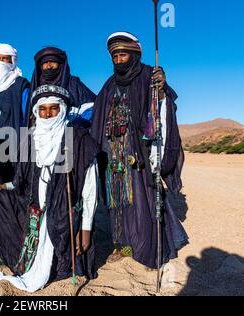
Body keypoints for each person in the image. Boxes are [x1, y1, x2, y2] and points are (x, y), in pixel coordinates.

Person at [0, 85, 99, 293]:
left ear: (63, 109)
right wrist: (3, 186)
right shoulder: (31, 138)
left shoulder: (78, 140)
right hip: (33, 210)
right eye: (43, 109)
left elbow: (90, 191)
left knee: (63, 267)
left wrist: (85, 230)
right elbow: (24, 181)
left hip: (64, 216)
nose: (48, 114)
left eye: (53, 108)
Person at [90, 32, 189, 268]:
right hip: (113, 154)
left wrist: (161, 89)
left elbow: (164, 108)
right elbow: (98, 116)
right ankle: (123, 246)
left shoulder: (149, 75)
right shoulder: (109, 85)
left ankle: (147, 247)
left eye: (123, 54)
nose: (118, 60)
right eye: (115, 56)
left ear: (134, 54)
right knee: (117, 204)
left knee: (143, 202)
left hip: (139, 153)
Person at [0, 43, 30, 182]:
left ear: (12, 61)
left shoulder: (21, 85)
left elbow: (25, 115)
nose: (1, 63)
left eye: (5, 59)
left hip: (15, 142)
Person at [27, 47, 97, 126]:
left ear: (60, 64)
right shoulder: (36, 85)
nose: (49, 66)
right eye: (45, 63)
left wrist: (78, 123)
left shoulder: (73, 83)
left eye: (52, 62)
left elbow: (91, 106)